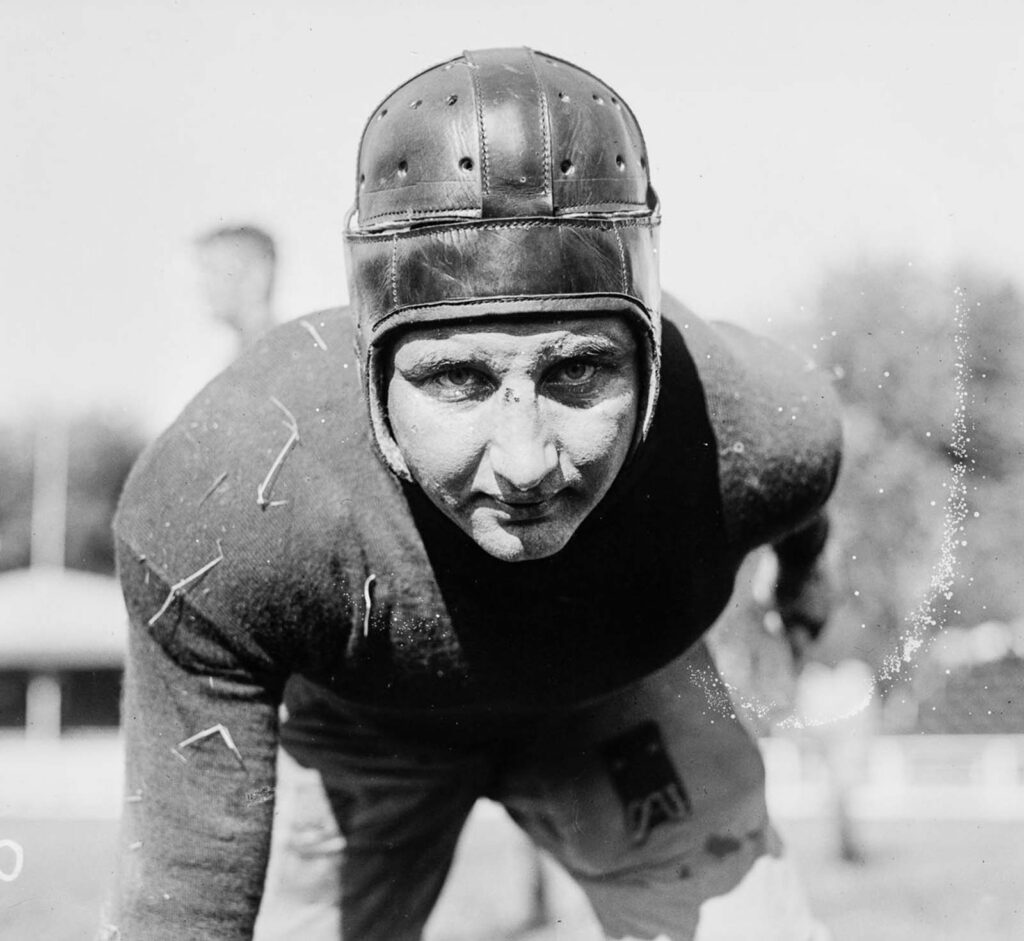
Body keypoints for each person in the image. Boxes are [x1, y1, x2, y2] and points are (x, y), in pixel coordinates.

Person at [103, 47, 841, 941]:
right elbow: (179, 905)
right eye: (457, 378)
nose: (526, 463)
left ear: (651, 368)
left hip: (621, 694)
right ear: (371, 377)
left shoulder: (762, 427)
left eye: (577, 370)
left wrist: (803, 579)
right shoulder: (227, 501)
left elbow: (804, 510)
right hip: (363, 726)